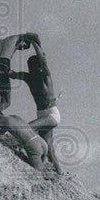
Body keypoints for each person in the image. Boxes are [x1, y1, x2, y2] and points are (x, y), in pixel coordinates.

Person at [9, 33, 62, 173]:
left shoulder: (46, 77)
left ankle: (16, 145)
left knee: (27, 127)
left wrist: (34, 43)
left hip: (51, 115)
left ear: (38, 67)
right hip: (42, 114)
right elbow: (12, 74)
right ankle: (59, 173)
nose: (31, 70)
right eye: (30, 67)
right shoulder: (29, 77)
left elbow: (43, 59)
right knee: (50, 149)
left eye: (33, 67)